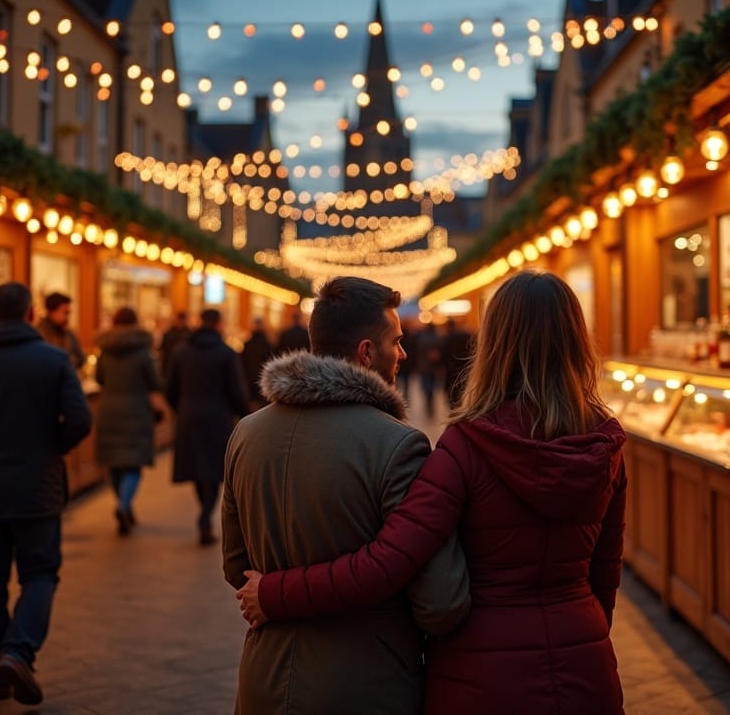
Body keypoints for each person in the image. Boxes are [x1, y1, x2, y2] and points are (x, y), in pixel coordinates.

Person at [237, 270, 627, 715]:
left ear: (494, 343)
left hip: (482, 675)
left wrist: (275, 593)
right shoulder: (605, 446)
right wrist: (583, 638)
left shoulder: (467, 446)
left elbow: (387, 561)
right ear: (577, 340)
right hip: (585, 661)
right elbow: (605, 575)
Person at [222, 276, 470, 715]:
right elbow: (439, 602)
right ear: (366, 352)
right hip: (366, 682)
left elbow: (237, 566)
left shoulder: (246, 433)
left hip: (264, 677)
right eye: (396, 342)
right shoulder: (398, 445)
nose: (404, 353)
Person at [0, 282, 92, 706]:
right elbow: (80, 419)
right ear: (29, 315)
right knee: (40, 574)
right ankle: (18, 651)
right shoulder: (54, 360)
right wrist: (51, 448)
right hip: (37, 487)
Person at [167, 308, 249, 545]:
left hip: (188, 418)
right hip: (218, 418)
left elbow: (170, 388)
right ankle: (205, 519)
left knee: (196, 470)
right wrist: (246, 416)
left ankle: (203, 515)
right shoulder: (226, 353)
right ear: (219, 324)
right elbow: (237, 392)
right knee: (214, 472)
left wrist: (181, 408)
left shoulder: (181, 352)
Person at [94, 306, 163, 536]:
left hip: (109, 410)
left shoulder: (104, 351)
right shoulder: (143, 353)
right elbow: (154, 382)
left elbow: (99, 378)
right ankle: (124, 504)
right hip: (136, 410)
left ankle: (124, 504)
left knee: (114, 463)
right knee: (133, 463)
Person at [36, 291, 86, 370]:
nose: (67, 317)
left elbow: (81, 359)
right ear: (51, 311)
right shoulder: (38, 334)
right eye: (65, 313)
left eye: (68, 313)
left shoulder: (69, 334)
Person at [240, 317, 273, 413]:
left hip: (249, 380)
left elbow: (242, 363)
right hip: (264, 380)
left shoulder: (247, 344)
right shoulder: (268, 344)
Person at [441, 318, 473, 409]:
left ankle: (453, 409)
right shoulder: (467, 335)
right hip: (464, 369)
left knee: (451, 394)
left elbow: (444, 354)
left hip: (450, 371)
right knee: (462, 392)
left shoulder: (448, 338)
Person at [157, 310, 190, 382]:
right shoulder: (169, 334)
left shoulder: (189, 334)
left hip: (178, 367)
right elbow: (163, 350)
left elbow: (162, 350)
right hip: (173, 366)